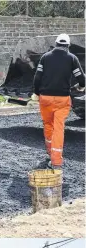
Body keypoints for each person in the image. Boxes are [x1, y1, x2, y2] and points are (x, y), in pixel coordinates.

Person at [33, 33, 85, 169]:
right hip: (62, 99)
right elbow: (82, 80)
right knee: (58, 128)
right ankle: (56, 161)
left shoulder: (45, 57)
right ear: (68, 46)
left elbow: (37, 78)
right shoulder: (72, 58)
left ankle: (50, 152)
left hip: (45, 98)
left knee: (48, 125)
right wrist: (79, 87)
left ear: (55, 44)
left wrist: (37, 93)